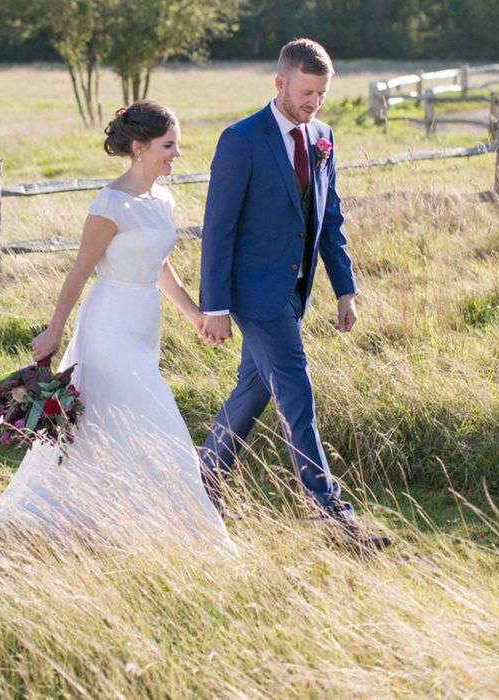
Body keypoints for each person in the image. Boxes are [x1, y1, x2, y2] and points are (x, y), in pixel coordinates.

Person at [0, 100, 236, 555]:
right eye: (168, 146)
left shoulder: (163, 200)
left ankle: (107, 513)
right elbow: (79, 271)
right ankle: (197, 533)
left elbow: (159, 266)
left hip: (143, 322)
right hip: (108, 322)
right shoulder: (111, 203)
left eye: (177, 145)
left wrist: (193, 313)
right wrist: (54, 332)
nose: (177, 154)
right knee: (158, 413)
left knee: (108, 422)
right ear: (139, 147)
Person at [198, 39, 391, 550]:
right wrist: (214, 305)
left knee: (252, 394)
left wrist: (344, 288)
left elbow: (330, 219)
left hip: (296, 292)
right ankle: (337, 518)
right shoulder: (241, 140)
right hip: (254, 295)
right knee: (296, 394)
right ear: (280, 83)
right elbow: (217, 228)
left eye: (322, 95)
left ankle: (200, 483)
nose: (314, 104)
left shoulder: (323, 136)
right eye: (307, 92)